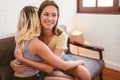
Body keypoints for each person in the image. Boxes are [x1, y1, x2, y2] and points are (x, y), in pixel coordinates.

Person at [11, 0, 91, 80]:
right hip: (41, 69)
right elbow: (21, 55)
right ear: (39, 17)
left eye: (54, 15)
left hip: (55, 61)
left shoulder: (60, 35)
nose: (50, 18)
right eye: (46, 14)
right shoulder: (33, 37)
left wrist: (22, 59)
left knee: (83, 72)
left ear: (57, 17)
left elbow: (54, 65)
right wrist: (14, 62)